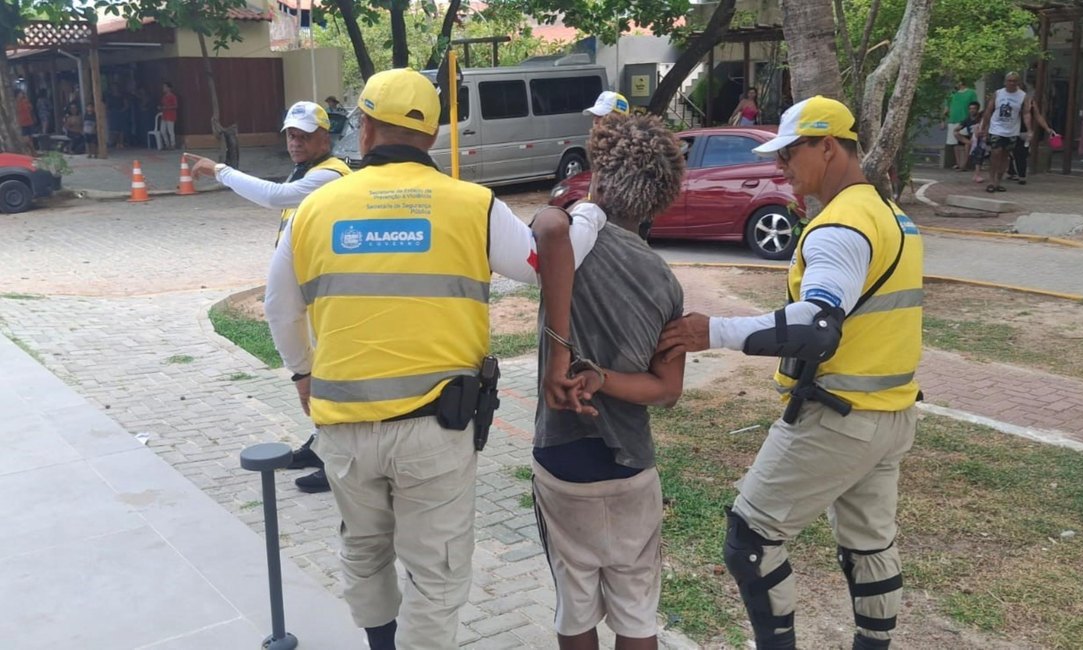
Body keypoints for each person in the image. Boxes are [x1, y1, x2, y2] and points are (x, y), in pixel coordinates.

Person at [265, 67, 605, 650]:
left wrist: (302, 372)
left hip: (344, 429)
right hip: (436, 429)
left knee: (365, 550)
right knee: (436, 570)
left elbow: (279, 307)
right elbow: (548, 263)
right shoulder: (472, 206)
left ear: (366, 129)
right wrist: (592, 214)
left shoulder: (314, 211)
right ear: (431, 136)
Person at [657, 96, 923, 650]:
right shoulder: (892, 215)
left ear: (827, 148)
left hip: (838, 417)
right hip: (891, 414)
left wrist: (716, 331)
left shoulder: (839, 228)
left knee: (751, 537)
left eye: (789, 153)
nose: (779, 167)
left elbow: (816, 325)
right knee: (869, 545)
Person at [532, 112, 686, 650]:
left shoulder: (564, 252)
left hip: (561, 459)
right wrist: (603, 379)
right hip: (631, 468)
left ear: (598, 177)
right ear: (661, 200)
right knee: (637, 612)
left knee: (574, 610)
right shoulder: (665, 283)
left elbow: (546, 225)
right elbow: (666, 391)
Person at [187, 101, 352, 493]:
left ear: (325, 137)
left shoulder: (330, 175)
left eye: (305, 135)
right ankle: (323, 444)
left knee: (329, 375)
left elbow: (277, 196)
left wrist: (219, 170)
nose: (295, 142)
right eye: (291, 135)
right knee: (317, 370)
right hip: (310, 289)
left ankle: (340, 460)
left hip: (324, 291)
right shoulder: (310, 170)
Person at [979, 72, 1032, 193]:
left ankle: (998, 181)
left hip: (1012, 130)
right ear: (1005, 82)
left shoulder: (1023, 96)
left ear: (1018, 82)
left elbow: (1026, 113)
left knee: (1005, 156)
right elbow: (989, 110)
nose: (1012, 83)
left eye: (1014, 81)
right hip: (997, 128)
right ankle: (991, 181)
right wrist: (984, 126)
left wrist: (1029, 129)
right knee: (995, 152)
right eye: (1009, 80)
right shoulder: (998, 93)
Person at [1007, 85, 1055, 186]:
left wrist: (1047, 128)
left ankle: (1021, 175)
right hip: (1009, 130)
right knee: (1009, 152)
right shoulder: (1008, 101)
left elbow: (1038, 116)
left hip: (1022, 131)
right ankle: (1013, 172)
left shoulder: (1030, 102)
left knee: (1020, 153)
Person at [942, 81, 978, 170]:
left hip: (964, 120)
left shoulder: (971, 93)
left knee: (963, 142)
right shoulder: (951, 94)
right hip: (952, 120)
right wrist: (943, 121)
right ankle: (958, 164)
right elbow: (946, 108)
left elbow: (975, 106)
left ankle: (966, 164)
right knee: (954, 143)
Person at [953, 100, 981, 170]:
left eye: (974, 108)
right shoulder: (967, 119)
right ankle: (959, 164)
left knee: (967, 145)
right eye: (970, 109)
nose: (972, 110)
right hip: (971, 139)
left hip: (980, 138)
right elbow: (956, 129)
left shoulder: (981, 118)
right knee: (956, 135)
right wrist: (958, 127)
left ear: (977, 109)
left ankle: (964, 166)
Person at [159, 82, 178, 149]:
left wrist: (166, 108)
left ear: (169, 88)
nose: (163, 88)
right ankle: (167, 144)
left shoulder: (173, 96)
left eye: (165, 87)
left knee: (170, 131)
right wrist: (161, 108)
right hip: (164, 115)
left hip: (170, 115)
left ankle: (173, 145)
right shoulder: (164, 97)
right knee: (162, 131)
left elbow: (175, 106)